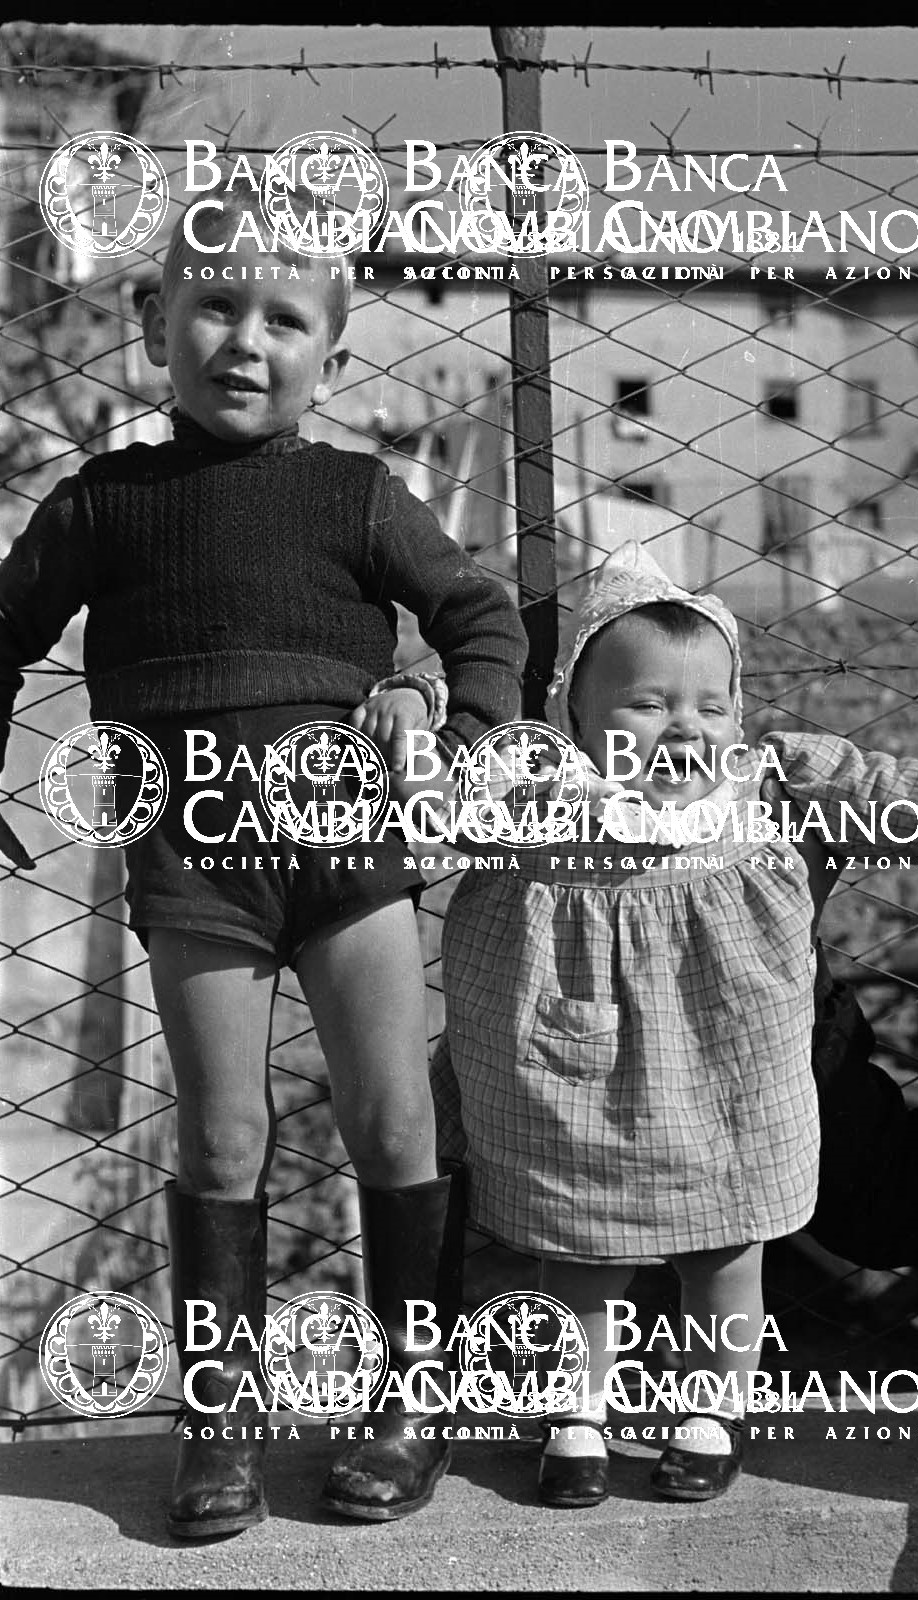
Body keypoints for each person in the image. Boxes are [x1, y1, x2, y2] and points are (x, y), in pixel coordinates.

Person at [0, 187, 527, 1536]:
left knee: (393, 1124)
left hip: (353, 858)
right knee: (222, 1133)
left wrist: (461, 736)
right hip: (197, 863)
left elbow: (479, 614)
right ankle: (219, 1416)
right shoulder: (103, 503)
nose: (246, 340)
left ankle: (412, 1398)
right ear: (154, 324)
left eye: (284, 319)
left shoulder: (359, 496)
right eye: (216, 307)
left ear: (329, 359)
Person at [431, 540, 918, 1509]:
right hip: (582, 1077)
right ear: (573, 714)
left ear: (738, 716)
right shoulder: (546, 798)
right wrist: (415, 746)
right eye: (646, 703)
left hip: (730, 1070)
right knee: (581, 1251)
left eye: (711, 706)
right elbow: (448, 802)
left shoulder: (765, 784)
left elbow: (866, 783)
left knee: (727, 1247)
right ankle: (576, 1410)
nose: (684, 726)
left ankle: (711, 1408)